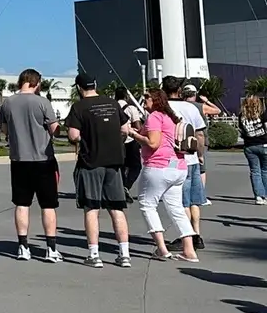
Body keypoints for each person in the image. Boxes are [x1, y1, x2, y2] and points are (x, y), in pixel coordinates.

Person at [64, 76, 132, 268]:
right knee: (117, 208)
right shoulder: (112, 103)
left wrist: (86, 138)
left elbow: (74, 135)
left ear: (79, 87)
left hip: (91, 162)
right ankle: (124, 254)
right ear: (95, 85)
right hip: (114, 162)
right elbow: (125, 129)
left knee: (92, 208)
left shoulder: (79, 107)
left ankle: (94, 255)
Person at [0, 68, 61, 261]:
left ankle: (23, 247)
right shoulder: (42, 102)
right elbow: (55, 130)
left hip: (19, 160)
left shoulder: (7, 103)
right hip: (43, 160)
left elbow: (5, 130)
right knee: (48, 205)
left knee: (21, 204)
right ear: (36, 83)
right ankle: (51, 249)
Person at [127, 89, 198, 261]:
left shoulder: (155, 117)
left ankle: (161, 248)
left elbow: (153, 143)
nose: (144, 103)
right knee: (176, 208)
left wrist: (133, 134)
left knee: (146, 204)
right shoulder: (172, 117)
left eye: (147, 100)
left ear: (156, 100)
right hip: (179, 166)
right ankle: (189, 250)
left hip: (158, 166)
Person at [165, 78, 206, 249]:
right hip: (192, 158)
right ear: (180, 90)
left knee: (182, 201)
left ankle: (186, 236)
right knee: (194, 200)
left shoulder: (164, 109)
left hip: (175, 159)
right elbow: (200, 135)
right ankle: (196, 234)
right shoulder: (191, 108)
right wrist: (200, 153)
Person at [237, 93, 267, 204]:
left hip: (249, 145)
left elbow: (241, 131)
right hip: (264, 143)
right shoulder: (263, 113)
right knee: (265, 170)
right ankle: (265, 195)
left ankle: (259, 196)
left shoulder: (242, 116)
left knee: (255, 171)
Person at [114, 86, 144, 196]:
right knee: (136, 166)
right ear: (126, 96)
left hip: (116, 141)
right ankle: (126, 186)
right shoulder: (131, 108)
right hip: (131, 140)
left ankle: (121, 186)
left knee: (120, 166)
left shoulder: (112, 107)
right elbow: (138, 125)